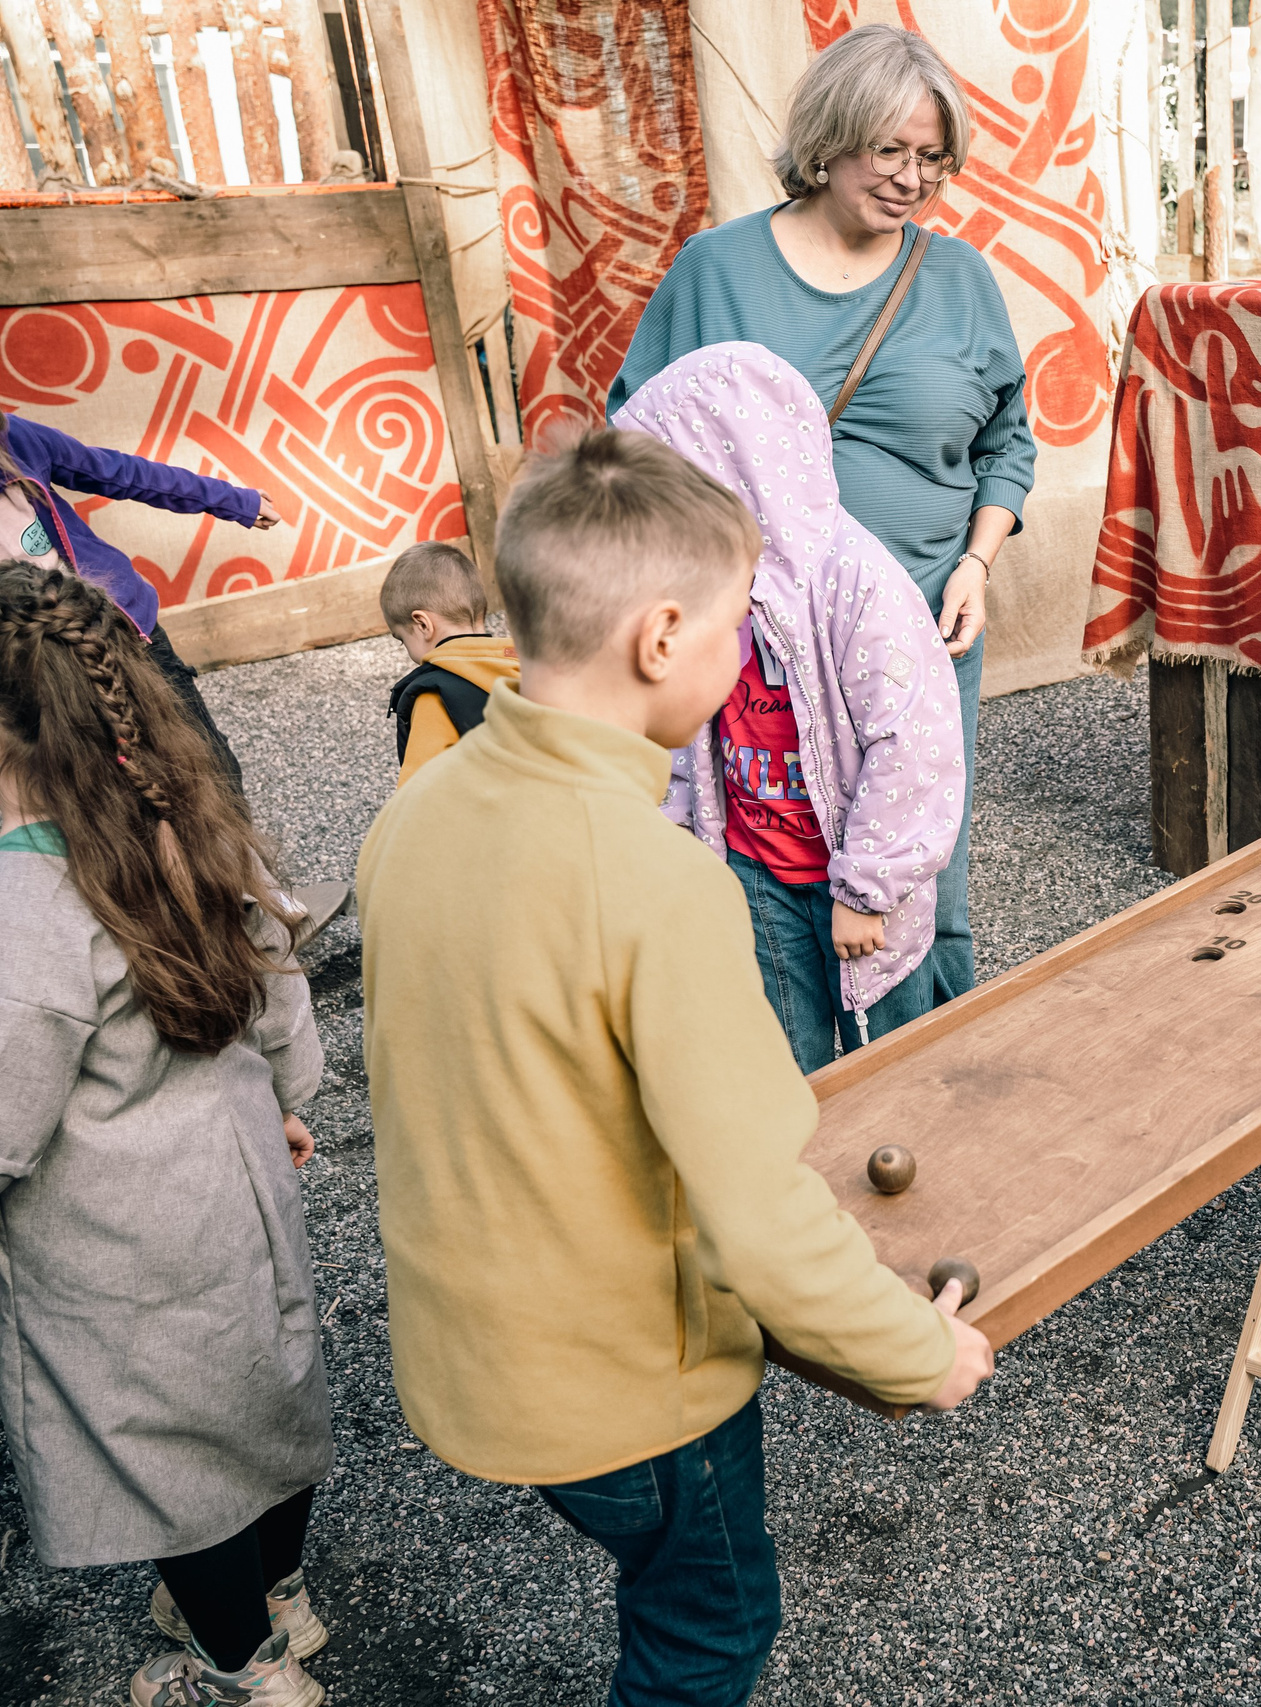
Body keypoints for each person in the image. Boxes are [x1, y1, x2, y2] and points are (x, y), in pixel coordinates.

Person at [356, 428, 993, 1706]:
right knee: (709, 1629)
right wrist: (919, 1356)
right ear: (659, 639)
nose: (742, 647)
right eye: (733, 623)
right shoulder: (660, 883)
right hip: (630, 1389)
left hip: (474, 1356)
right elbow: (757, 1208)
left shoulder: (415, 809)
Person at [609, 22, 1036, 1037]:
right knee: (764, 859)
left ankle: (933, 1077)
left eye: (932, 158)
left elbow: (1008, 438)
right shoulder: (716, 271)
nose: (911, 178)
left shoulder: (960, 279)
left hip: (920, 626)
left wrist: (979, 560)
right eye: (889, 149)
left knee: (920, 858)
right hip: (754, 643)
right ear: (828, 140)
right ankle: (790, 1088)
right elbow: (639, 443)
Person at [0, 562, 332, 1707]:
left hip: (114, 1234)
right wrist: (289, 1095)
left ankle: (242, 1671)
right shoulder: (190, 823)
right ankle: (281, 1591)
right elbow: (281, 974)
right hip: (238, 1176)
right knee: (261, 1390)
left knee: (166, 1456)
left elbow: (6, 1117)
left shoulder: (25, 911)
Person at [617, 344, 964, 1070]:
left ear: (730, 472)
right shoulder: (702, 590)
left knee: (894, 1065)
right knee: (785, 1060)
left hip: (860, 879)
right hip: (755, 868)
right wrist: (676, 834)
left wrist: (868, 887)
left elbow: (914, 745)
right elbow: (684, 734)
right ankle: (807, 1178)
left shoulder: (856, 584)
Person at [0, 411, 280, 788]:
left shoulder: (18, 439)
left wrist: (233, 500)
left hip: (121, 626)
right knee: (102, 788)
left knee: (212, 767)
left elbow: (118, 472)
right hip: (33, 660)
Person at [378, 539, 519, 786]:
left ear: (422, 624)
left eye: (402, 640)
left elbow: (418, 798)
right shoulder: (532, 668)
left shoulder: (434, 697)